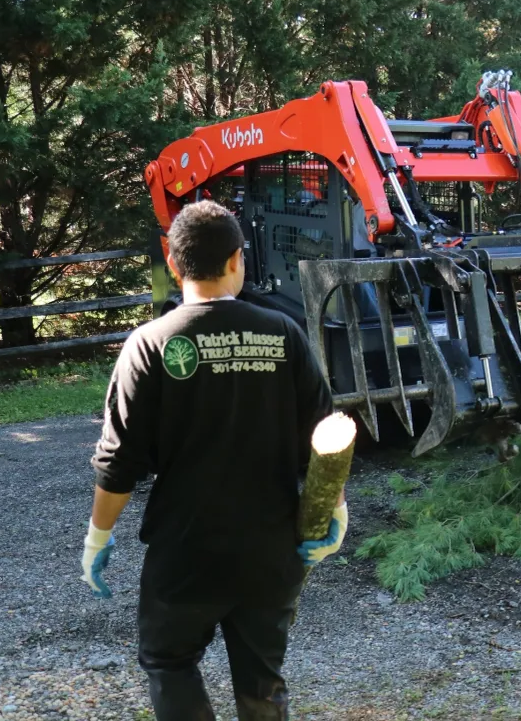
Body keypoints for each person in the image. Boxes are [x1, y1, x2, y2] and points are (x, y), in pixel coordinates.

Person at [81, 199, 344, 720]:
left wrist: (97, 539)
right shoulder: (284, 334)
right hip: (270, 551)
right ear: (237, 259)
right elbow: (324, 435)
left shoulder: (149, 345)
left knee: (168, 660)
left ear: (172, 262)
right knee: (262, 682)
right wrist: (335, 510)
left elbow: (119, 460)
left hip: (185, 554)